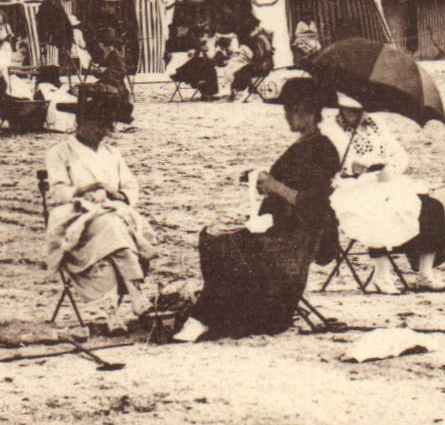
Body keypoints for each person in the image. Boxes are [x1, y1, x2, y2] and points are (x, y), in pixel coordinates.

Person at [174, 76, 342, 342]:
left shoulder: (322, 150)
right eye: (286, 110)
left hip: (296, 234)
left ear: (310, 113)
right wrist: (262, 182)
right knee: (213, 236)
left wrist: (273, 185)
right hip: (280, 223)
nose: (287, 116)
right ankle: (216, 312)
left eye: (292, 110)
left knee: (226, 245)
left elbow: (312, 204)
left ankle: (206, 317)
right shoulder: (305, 144)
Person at [44, 88, 157, 334]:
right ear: (81, 122)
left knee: (113, 226)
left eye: (106, 126)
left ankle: (112, 311)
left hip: (111, 212)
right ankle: (134, 293)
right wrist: (87, 188)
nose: (102, 131)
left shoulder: (111, 153)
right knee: (111, 226)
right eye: (97, 124)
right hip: (76, 218)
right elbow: (58, 193)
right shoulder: (59, 152)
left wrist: (118, 195)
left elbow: (130, 186)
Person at [325, 94, 445, 293]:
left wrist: (391, 168)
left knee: (430, 206)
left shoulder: (376, 124)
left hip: (384, 180)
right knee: (376, 208)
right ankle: (382, 275)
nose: (355, 116)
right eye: (350, 111)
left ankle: (425, 274)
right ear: (340, 109)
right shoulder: (330, 130)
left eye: (359, 112)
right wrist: (350, 167)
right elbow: (327, 165)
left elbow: (398, 153)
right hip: (351, 186)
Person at [89, 26, 134, 127]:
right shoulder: (108, 55)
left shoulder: (115, 56)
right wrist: (97, 71)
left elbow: (120, 73)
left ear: (101, 44)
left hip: (118, 91)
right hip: (113, 88)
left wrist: (105, 71)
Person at [170, 27, 220, 100]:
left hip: (188, 65)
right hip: (179, 69)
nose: (184, 30)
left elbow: (195, 52)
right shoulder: (173, 41)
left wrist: (200, 50)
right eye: (181, 28)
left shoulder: (189, 40)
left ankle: (208, 93)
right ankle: (206, 92)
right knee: (204, 68)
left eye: (185, 28)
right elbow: (178, 55)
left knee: (209, 67)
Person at [231, 24, 274, 99]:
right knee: (244, 68)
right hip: (268, 64)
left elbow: (260, 56)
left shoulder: (259, 40)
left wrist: (252, 60)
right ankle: (248, 90)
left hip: (263, 66)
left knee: (241, 70)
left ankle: (240, 90)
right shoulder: (264, 37)